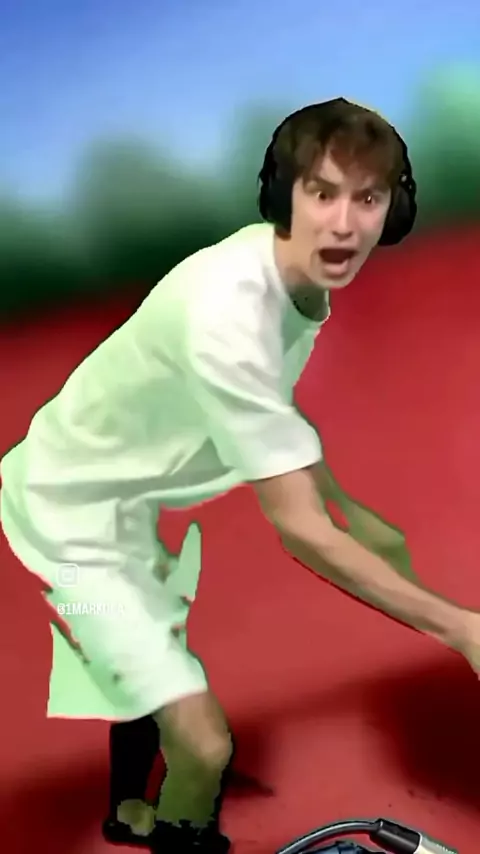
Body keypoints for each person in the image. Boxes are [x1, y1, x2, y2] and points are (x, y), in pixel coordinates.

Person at [2, 97, 480, 854]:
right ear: (285, 196)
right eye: (322, 194)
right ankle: (179, 833)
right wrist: (462, 628)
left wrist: (345, 502)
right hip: (67, 511)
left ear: (393, 209)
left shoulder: (292, 279)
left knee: (154, 638)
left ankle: (127, 805)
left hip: (123, 493)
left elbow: (276, 411)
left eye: (367, 199)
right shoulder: (228, 314)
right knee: (203, 744)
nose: (345, 224)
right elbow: (298, 529)